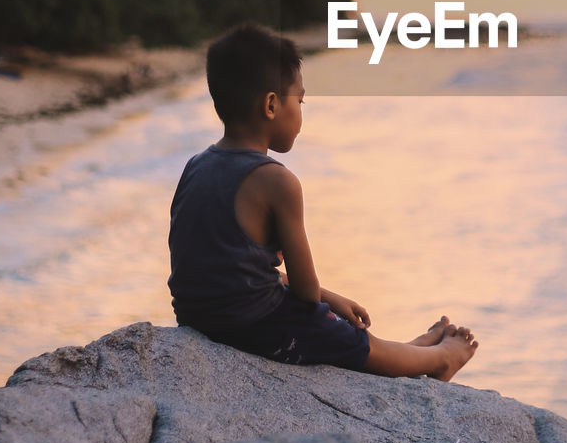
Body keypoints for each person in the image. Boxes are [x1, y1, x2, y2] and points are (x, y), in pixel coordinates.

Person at [168, 22, 478, 380]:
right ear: (271, 105)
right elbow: (305, 292)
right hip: (253, 328)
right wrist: (326, 304)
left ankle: (411, 349)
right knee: (351, 339)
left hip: (198, 320)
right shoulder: (278, 181)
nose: (301, 113)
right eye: (299, 101)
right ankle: (440, 360)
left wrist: (333, 299)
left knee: (338, 325)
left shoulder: (196, 165)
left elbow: (226, 268)